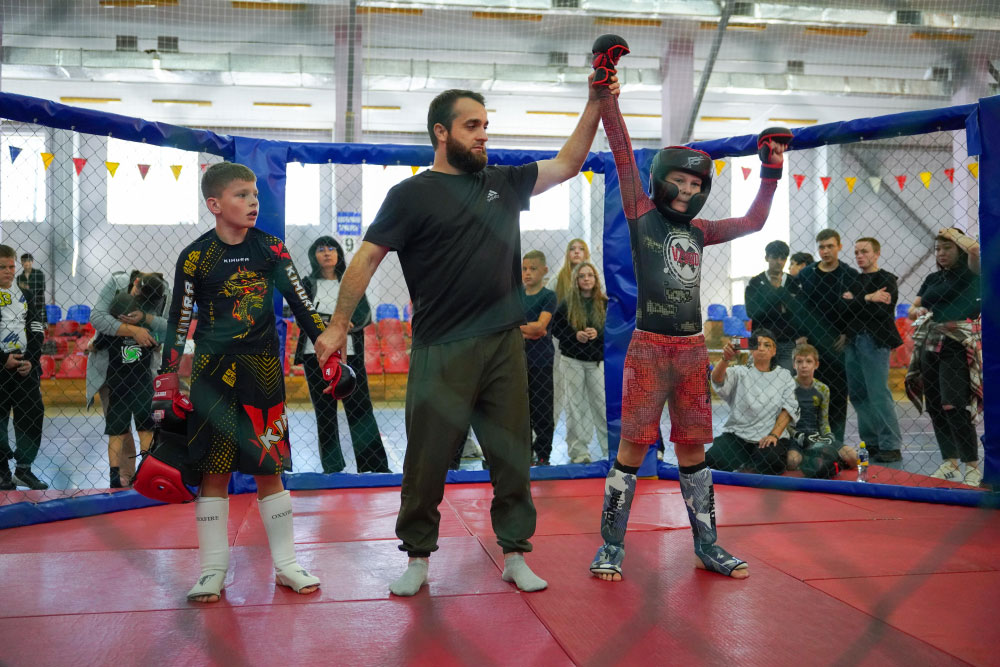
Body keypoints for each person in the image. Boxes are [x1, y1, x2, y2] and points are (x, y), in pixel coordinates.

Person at [314, 76, 614, 597]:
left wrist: (595, 103)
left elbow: (568, 163)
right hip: (441, 346)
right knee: (426, 459)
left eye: (485, 126)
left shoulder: (503, 183)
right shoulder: (410, 195)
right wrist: (339, 324)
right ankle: (417, 557)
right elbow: (365, 258)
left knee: (511, 455)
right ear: (441, 132)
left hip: (502, 343)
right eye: (472, 126)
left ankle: (515, 553)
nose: (483, 135)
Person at [587, 34, 789, 582]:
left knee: (694, 451)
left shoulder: (701, 230)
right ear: (660, 181)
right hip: (648, 349)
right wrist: (606, 91)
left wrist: (770, 170)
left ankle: (708, 545)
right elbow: (622, 152)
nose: (684, 188)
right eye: (678, 179)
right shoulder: (641, 212)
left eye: (695, 182)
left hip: (694, 351)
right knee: (632, 450)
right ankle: (611, 546)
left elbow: (754, 223)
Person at [159, 162, 334, 602]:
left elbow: (301, 303)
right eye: (241, 195)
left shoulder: (271, 248)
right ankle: (212, 571)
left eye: (255, 194)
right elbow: (179, 318)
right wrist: (167, 378)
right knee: (214, 473)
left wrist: (328, 349)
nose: (253, 201)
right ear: (215, 204)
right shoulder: (196, 256)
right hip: (211, 376)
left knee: (269, 469)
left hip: (263, 372)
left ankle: (287, 565)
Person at [293, 235, 390, 474]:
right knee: (325, 413)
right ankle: (332, 467)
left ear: (338, 253)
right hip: (316, 356)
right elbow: (301, 315)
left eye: (331, 248)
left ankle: (374, 466)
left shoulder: (350, 282)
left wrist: (344, 325)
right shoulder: (307, 284)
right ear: (314, 256)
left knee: (360, 410)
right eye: (321, 249)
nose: (327, 253)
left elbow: (364, 315)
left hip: (351, 357)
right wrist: (327, 325)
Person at [906, 228, 982, 487]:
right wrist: (917, 311)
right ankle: (949, 463)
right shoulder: (932, 278)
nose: (941, 253)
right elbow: (914, 307)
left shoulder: (970, 272)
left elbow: (975, 249)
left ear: (958, 249)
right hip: (930, 343)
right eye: (938, 248)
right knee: (936, 405)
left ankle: (972, 466)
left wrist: (952, 233)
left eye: (947, 248)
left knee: (954, 405)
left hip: (956, 345)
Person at [86, 270, 168, 487]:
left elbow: (95, 345)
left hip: (118, 384)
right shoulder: (148, 330)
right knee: (146, 429)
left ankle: (115, 476)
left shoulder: (110, 332)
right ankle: (145, 471)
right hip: (141, 383)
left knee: (117, 432)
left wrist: (93, 345)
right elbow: (160, 340)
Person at [842, 237, 903, 463]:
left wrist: (856, 301)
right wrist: (868, 297)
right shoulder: (852, 280)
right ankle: (871, 442)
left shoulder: (887, 279)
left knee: (877, 393)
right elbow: (842, 308)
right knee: (858, 394)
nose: (859, 256)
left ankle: (891, 444)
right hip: (852, 341)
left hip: (874, 341)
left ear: (876, 253)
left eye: (864, 251)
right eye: (856, 252)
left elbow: (881, 311)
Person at [704, 330, 799, 475]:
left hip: (768, 436)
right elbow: (717, 379)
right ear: (751, 349)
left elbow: (788, 410)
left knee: (771, 462)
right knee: (713, 458)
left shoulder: (784, 376)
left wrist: (774, 435)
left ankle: (750, 463)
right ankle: (747, 462)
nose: (761, 348)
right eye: (757, 344)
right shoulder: (739, 372)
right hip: (739, 435)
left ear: (774, 351)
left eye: (767, 345)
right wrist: (725, 359)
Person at [793, 229, 857, 443]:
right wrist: (800, 334)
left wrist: (847, 333)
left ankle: (835, 442)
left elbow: (856, 309)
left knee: (837, 395)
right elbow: (800, 307)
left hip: (838, 345)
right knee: (809, 393)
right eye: (821, 247)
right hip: (812, 343)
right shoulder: (807, 274)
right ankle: (810, 439)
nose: (826, 251)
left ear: (839, 246)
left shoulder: (849, 275)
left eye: (830, 246)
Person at [0, 245, 47, 491]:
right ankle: (2, 472)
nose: (9, 271)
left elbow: (37, 328)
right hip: (0, 369)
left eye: (11, 266)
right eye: (2, 267)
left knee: (32, 415)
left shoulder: (25, 294)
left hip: (24, 369)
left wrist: (31, 359)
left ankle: (24, 469)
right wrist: (2, 360)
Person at [552, 260, 608, 464]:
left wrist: (598, 333)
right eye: (582, 276)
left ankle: (610, 449)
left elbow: (613, 330)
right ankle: (579, 452)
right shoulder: (566, 304)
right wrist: (575, 335)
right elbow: (556, 329)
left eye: (590, 275)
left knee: (601, 404)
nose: (586, 279)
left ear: (596, 279)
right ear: (576, 280)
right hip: (572, 360)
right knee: (575, 405)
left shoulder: (604, 303)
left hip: (596, 362)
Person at [781, 344, 859, 478]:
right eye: (799, 361)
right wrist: (798, 436)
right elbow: (784, 421)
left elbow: (824, 420)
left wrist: (828, 435)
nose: (804, 366)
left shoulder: (823, 389)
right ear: (794, 364)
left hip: (816, 435)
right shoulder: (787, 387)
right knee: (792, 462)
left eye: (808, 361)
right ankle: (808, 457)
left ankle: (827, 459)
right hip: (796, 436)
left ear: (816, 364)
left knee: (853, 458)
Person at [547, 238, 591, 433]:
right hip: (560, 340)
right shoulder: (558, 278)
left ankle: (581, 439)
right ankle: (544, 437)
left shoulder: (592, 277)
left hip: (586, 344)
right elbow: (546, 304)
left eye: (581, 249)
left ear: (586, 253)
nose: (576, 252)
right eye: (572, 249)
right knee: (557, 389)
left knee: (584, 394)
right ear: (567, 253)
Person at [519, 250, 557, 466]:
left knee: (542, 408)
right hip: (518, 359)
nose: (527, 273)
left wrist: (519, 328)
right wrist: (529, 330)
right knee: (519, 409)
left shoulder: (548, 296)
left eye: (533, 269)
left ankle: (543, 454)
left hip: (541, 360)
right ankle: (522, 452)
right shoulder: (517, 296)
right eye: (524, 269)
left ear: (544, 270)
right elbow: (531, 329)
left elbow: (541, 327)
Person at [745, 240, 797, 370]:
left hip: (786, 340)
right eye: (774, 257)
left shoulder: (793, 283)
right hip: (761, 341)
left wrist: (770, 301)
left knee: (785, 378)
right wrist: (782, 303)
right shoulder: (756, 283)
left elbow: (798, 312)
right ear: (767, 257)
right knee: (759, 378)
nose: (778, 262)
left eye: (782, 258)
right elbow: (752, 312)